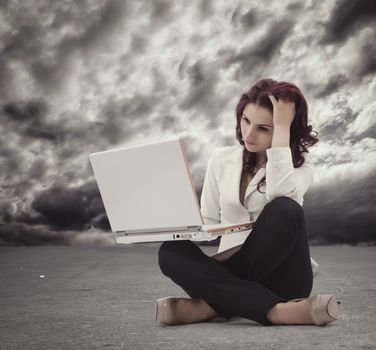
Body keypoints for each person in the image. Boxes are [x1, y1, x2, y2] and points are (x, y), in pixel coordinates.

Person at [155, 78, 339, 326]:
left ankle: (211, 305)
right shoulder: (221, 159)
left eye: (264, 128)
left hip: (285, 277)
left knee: (285, 209)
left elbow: (281, 195)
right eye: (245, 120)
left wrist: (281, 130)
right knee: (170, 252)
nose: (248, 134)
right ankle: (276, 312)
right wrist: (171, 224)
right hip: (231, 268)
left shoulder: (301, 163)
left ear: (286, 130)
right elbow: (208, 221)